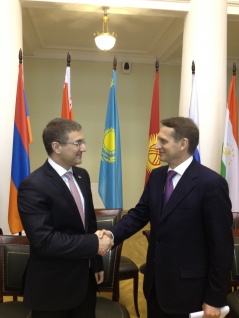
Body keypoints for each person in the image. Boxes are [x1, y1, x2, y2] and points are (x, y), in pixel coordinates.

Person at [99, 117, 234, 318]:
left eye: (163, 141)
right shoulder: (157, 176)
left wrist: (214, 298)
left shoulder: (211, 184)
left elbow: (221, 246)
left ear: (183, 144)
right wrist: (110, 235)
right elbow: (138, 215)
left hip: (190, 292)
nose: (156, 145)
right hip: (155, 286)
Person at [18, 118, 113, 318]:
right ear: (56, 147)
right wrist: (94, 243)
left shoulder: (82, 175)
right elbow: (44, 241)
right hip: (52, 288)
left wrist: (96, 263)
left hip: (85, 284)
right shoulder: (33, 185)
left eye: (83, 142)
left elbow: (89, 225)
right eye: (78, 143)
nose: (84, 148)